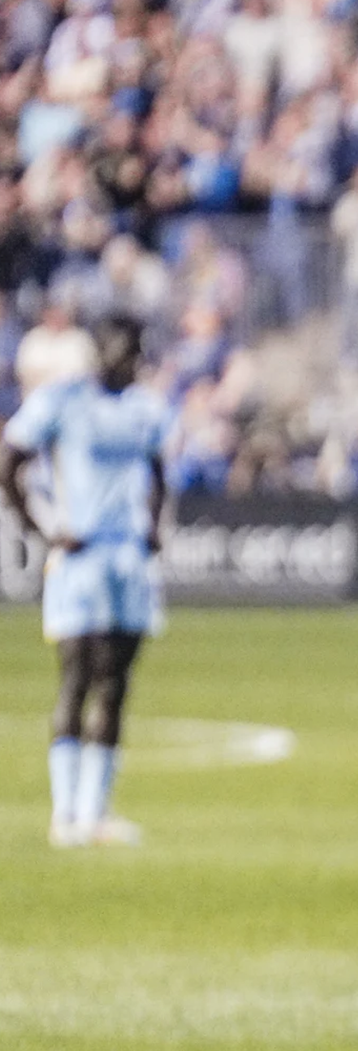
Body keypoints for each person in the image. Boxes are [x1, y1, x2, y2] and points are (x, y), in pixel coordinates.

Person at [1, 315, 171, 847]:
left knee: (116, 682)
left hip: (128, 560)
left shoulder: (148, 409)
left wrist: (153, 529)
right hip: (80, 558)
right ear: (106, 349)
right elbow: (11, 464)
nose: (136, 360)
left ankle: (95, 813)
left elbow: (159, 473)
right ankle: (64, 813)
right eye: (130, 348)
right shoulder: (62, 401)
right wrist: (44, 528)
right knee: (77, 675)